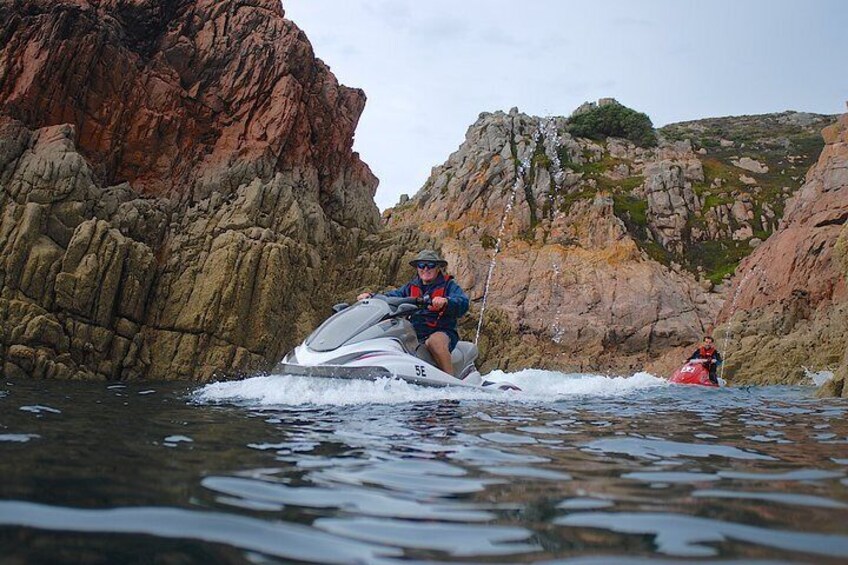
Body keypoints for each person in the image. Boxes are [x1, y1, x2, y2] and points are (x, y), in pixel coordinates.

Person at [357, 249, 469, 376]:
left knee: (435, 342)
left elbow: (463, 302)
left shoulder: (449, 285)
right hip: (415, 331)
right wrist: (372, 296)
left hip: (442, 330)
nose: (425, 269)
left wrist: (446, 301)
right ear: (417, 268)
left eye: (430, 265)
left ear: (438, 268)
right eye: (421, 265)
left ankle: (450, 382)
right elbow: (392, 297)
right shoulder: (410, 287)